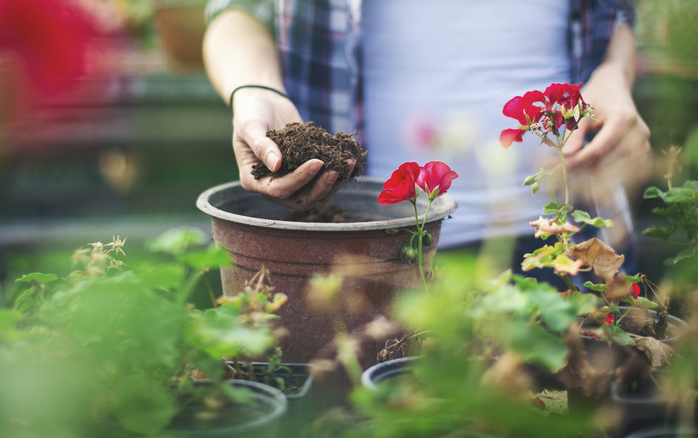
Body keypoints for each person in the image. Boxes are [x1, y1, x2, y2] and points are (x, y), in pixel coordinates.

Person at [201, 0, 651, 281]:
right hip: (374, 250)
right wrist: (256, 89)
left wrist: (614, 75)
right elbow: (235, 10)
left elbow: (615, 15)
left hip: (571, 238)